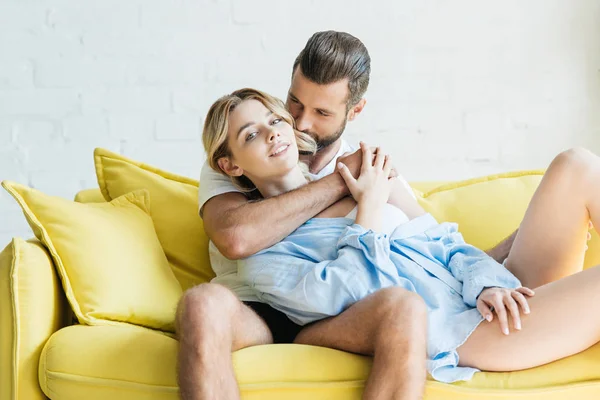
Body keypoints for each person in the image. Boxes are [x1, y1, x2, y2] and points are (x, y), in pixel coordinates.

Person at [177, 31, 516, 400]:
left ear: (354, 111)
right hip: (257, 308)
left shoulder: (368, 167)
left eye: (321, 113)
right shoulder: (231, 161)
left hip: (335, 310)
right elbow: (235, 238)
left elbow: (433, 241)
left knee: (405, 306)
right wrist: (345, 181)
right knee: (200, 302)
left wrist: (488, 277)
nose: (300, 124)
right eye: (293, 103)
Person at [202, 86, 599, 385]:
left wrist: (486, 284)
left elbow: (444, 243)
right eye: (250, 135)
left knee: (575, 164)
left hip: (492, 296)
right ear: (231, 166)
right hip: (466, 330)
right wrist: (370, 211)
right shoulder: (262, 249)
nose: (271, 134)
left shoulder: (354, 179)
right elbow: (350, 298)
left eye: (274, 120)